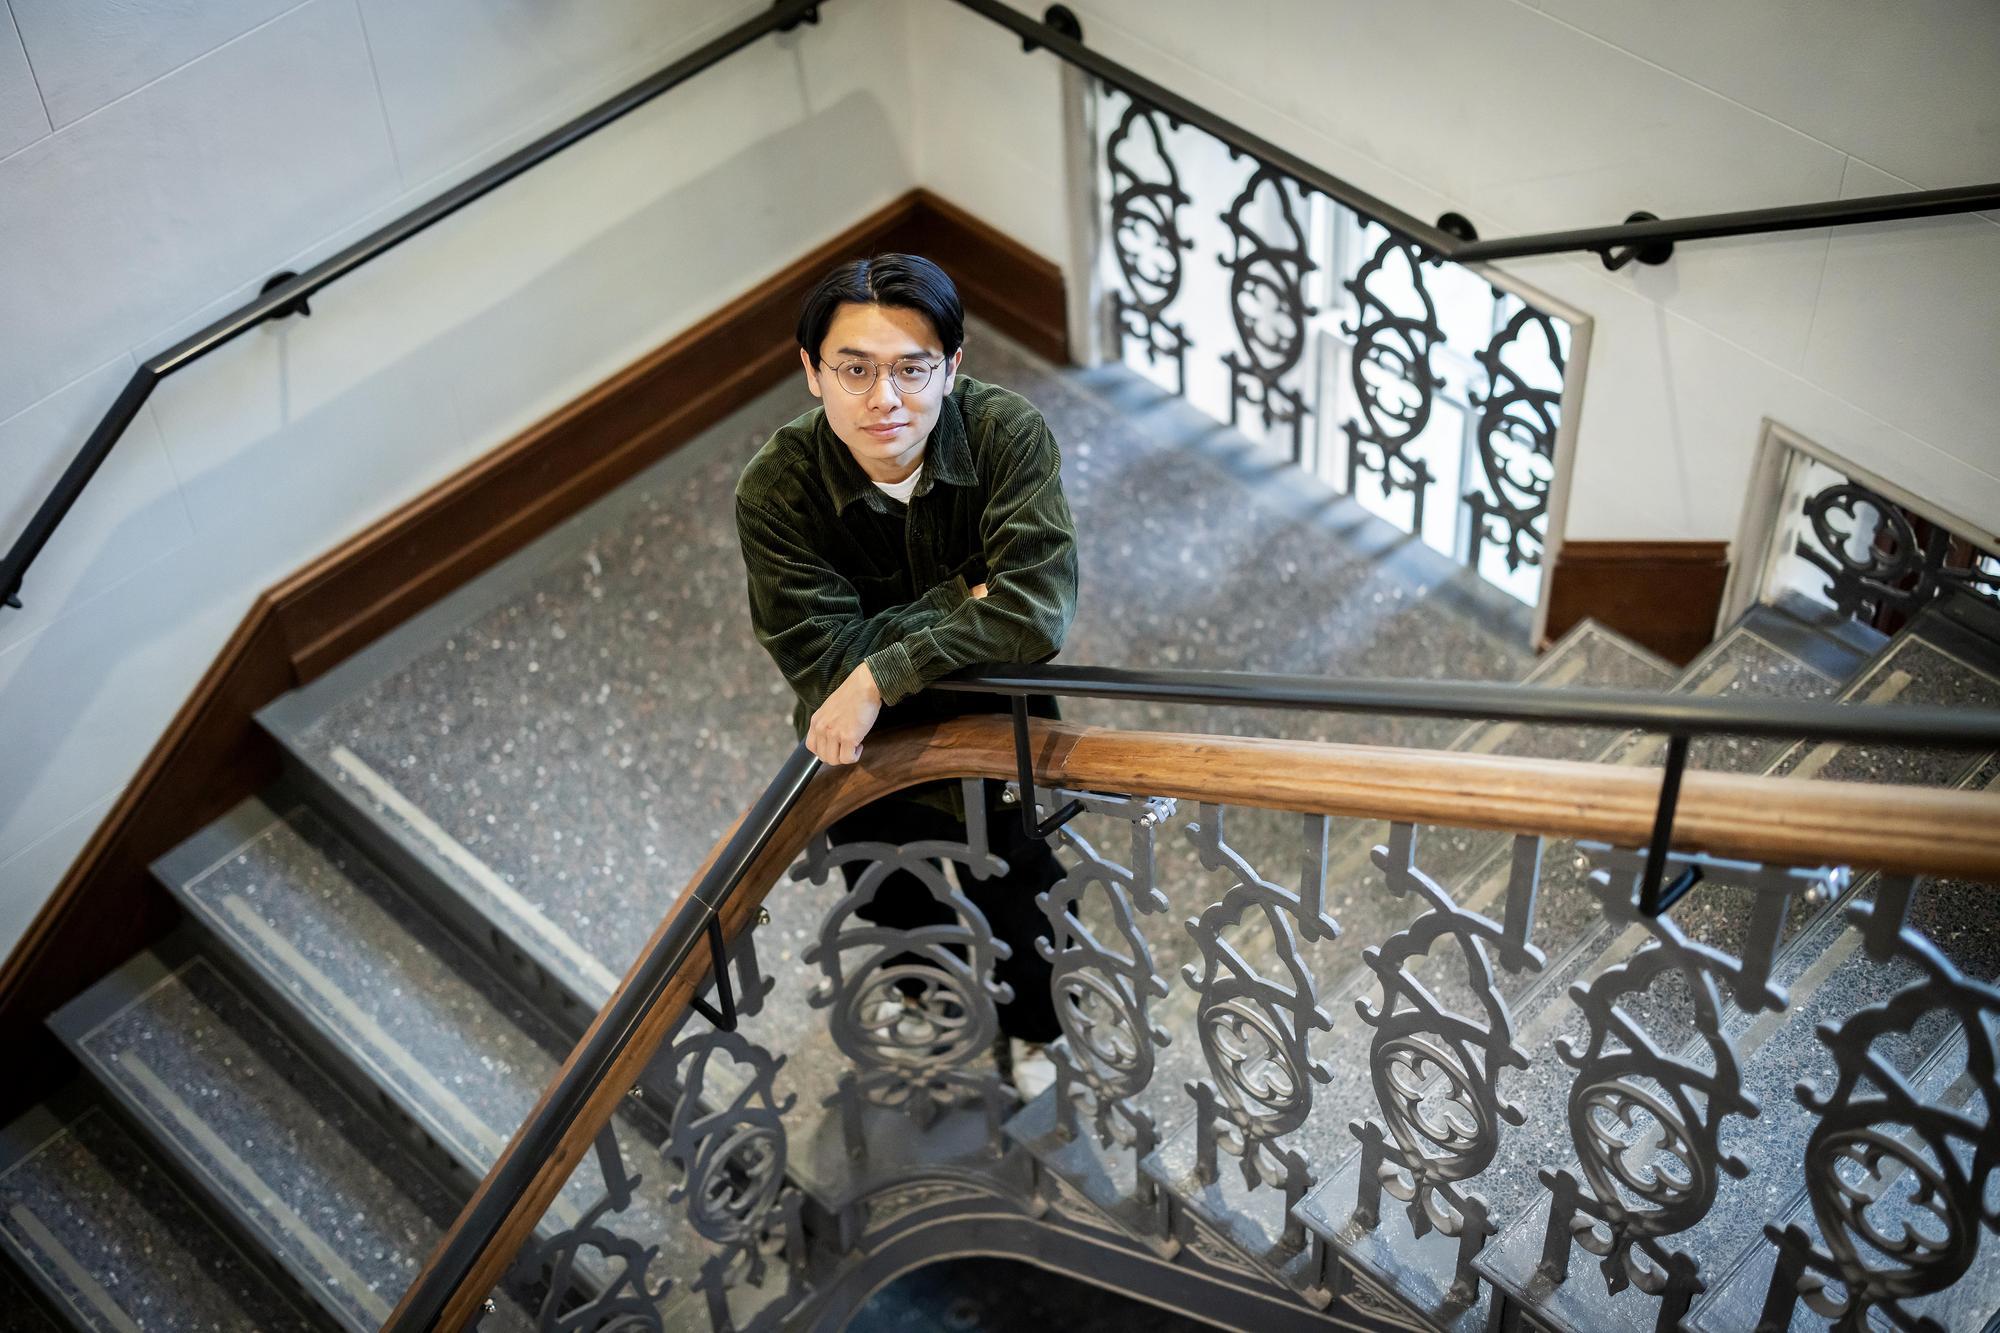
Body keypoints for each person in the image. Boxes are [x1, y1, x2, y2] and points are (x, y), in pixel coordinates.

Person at [734, 253, 1079, 1097]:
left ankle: (1038, 1030)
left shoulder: (1006, 433)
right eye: (854, 369)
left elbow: (1036, 613)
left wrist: (876, 672)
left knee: (1025, 896)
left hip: (996, 733)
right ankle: (927, 1005)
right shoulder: (777, 489)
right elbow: (820, 659)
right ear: (812, 373)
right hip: (866, 752)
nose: (884, 399)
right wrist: (963, 603)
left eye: (912, 368)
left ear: (953, 368)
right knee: (894, 898)